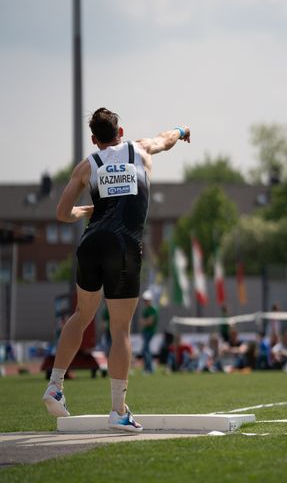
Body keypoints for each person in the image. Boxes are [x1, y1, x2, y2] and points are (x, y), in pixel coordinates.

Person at [42, 108, 190, 433]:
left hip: (91, 242)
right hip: (124, 246)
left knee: (82, 316)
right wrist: (180, 130)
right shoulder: (139, 149)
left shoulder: (87, 165)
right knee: (120, 330)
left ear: (94, 139)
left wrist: (89, 211)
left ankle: (55, 385)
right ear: (120, 132)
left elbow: (62, 213)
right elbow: (165, 140)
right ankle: (118, 411)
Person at [139, 289, 158, 374]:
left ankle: (149, 368)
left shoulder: (153, 309)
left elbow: (149, 322)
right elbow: (142, 322)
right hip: (145, 332)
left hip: (150, 332)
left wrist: (144, 322)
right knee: (146, 350)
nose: (145, 302)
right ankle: (148, 368)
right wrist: (145, 322)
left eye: (146, 300)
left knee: (146, 350)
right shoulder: (146, 310)